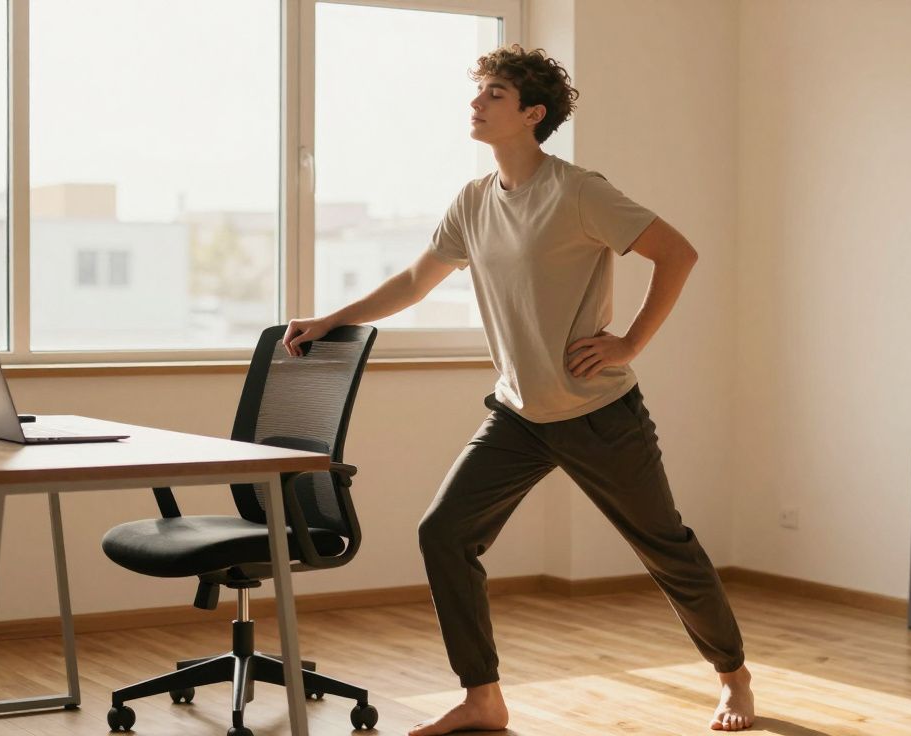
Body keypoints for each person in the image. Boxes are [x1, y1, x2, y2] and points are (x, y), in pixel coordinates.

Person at [282, 44, 755, 734]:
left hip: (599, 413)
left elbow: (677, 253)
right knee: (444, 534)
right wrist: (332, 318)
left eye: (494, 94)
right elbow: (416, 282)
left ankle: (734, 677)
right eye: (479, 92)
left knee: (666, 548)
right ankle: (483, 698)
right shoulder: (474, 201)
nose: (477, 103)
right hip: (518, 413)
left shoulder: (578, 191)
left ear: (533, 113)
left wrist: (629, 342)